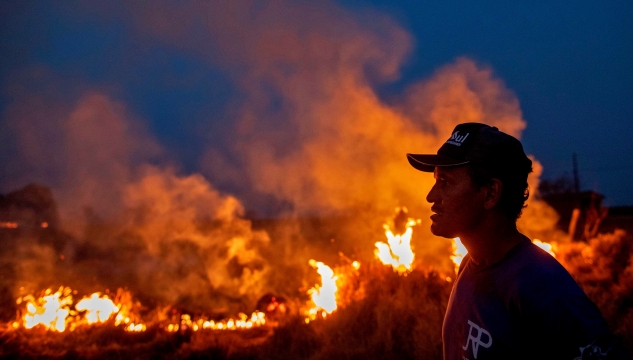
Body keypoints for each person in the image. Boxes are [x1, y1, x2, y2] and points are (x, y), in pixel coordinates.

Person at [406, 123, 630, 360]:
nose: (431, 196)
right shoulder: (471, 266)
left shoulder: (546, 292)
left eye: (445, 182)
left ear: (491, 193)